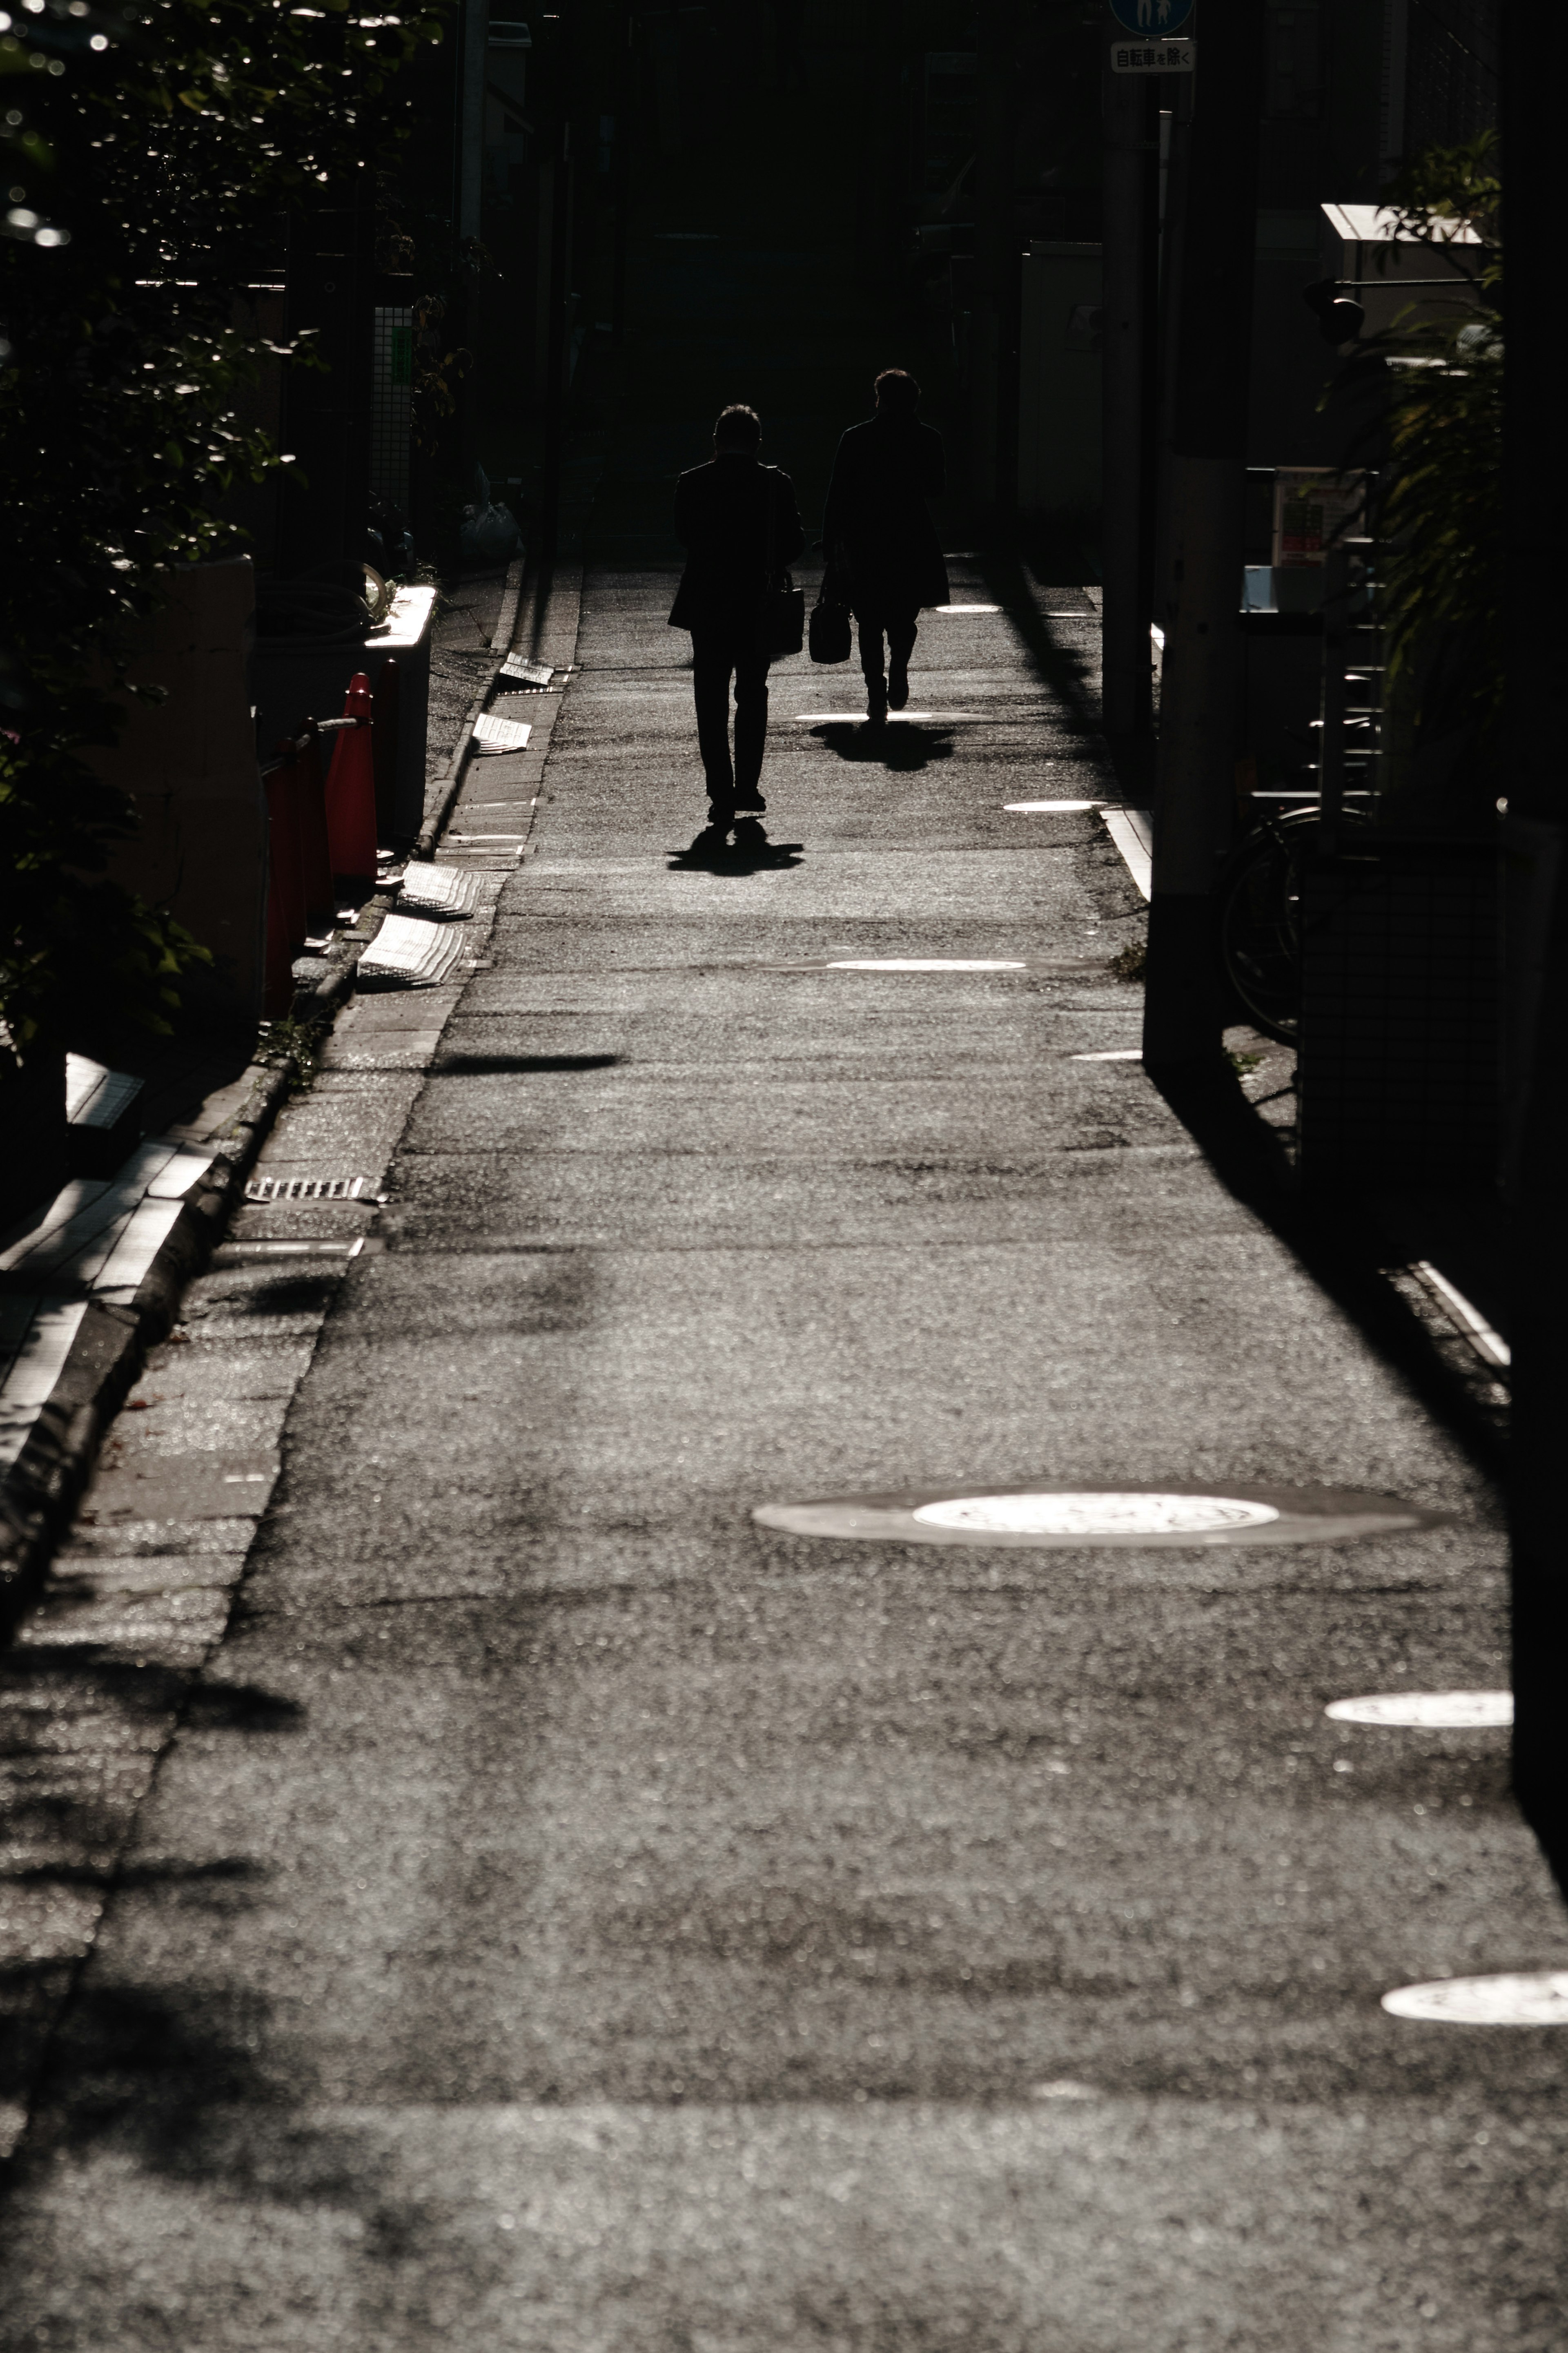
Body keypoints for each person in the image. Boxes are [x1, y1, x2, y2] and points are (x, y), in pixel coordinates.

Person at [669, 404, 805, 826]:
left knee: (710, 700)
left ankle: (720, 791)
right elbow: (795, 542)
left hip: (707, 601)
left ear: (716, 441)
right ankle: (748, 785)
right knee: (752, 693)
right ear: (757, 442)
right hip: (756, 602)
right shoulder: (774, 483)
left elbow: (683, 536)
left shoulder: (692, 482)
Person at [822, 369, 948, 724]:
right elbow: (937, 488)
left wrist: (832, 540)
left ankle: (876, 692)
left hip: (866, 539)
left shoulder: (856, 438)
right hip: (911, 538)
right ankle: (900, 667)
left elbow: (838, 494)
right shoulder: (927, 438)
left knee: (869, 621)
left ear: (880, 398)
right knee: (904, 617)